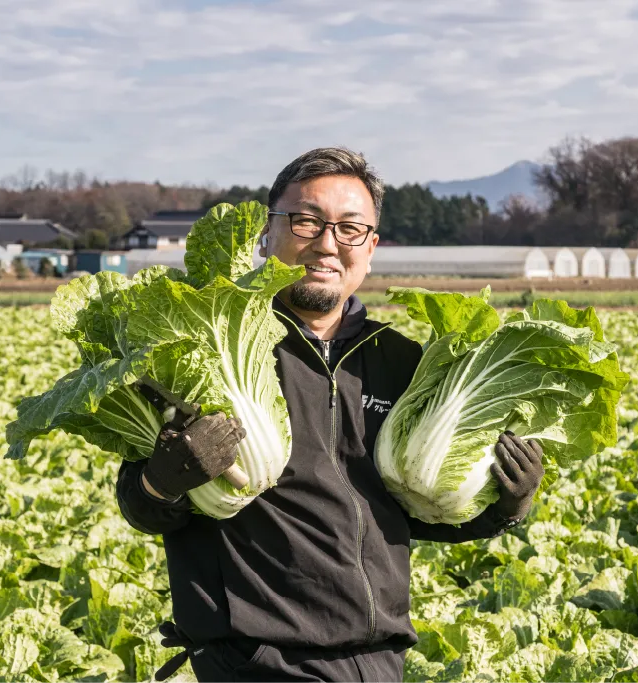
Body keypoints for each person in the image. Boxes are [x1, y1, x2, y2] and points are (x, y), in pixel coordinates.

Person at [115, 147, 546, 682]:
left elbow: (409, 517)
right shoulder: (204, 350)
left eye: (350, 228)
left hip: (378, 661)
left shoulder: (402, 363)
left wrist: (504, 506)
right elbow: (141, 504)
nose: (326, 243)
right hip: (256, 661)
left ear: (371, 247)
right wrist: (161, 482)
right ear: (266, 235)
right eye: (306, 220)